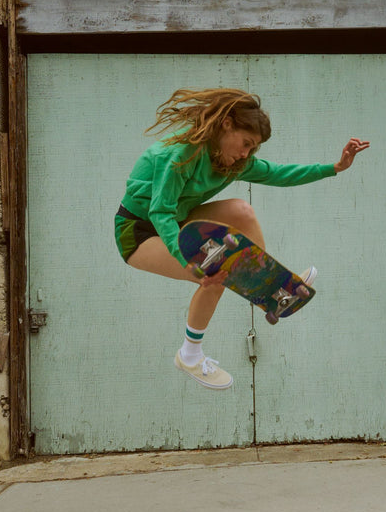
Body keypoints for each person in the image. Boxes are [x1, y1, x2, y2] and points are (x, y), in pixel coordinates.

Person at [115, 88, 369, 390]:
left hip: (179, 219)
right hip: (139, 230)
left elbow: (279, 173)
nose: (246, 154)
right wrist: (187, 259)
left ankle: (273, 286)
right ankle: (190, 355)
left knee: (241, 210)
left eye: (253, 149)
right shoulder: (181, 155)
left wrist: (334, 168)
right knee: (212, 272)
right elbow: (160, 212)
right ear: (226, 125)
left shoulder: (234, 163)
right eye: (246, 143)